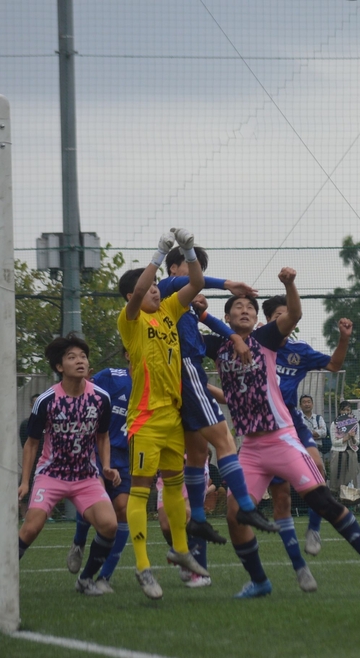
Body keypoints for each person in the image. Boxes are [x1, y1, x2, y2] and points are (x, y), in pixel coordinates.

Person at [203, 267, 360, 598]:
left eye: (250, 306)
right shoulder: (217, 347)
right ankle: (260, 580)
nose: (245, 309)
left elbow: (296, 313)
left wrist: (289, 284)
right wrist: (195, 305)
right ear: (226, 317)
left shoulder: (265, 340)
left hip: (283, 438)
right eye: (238, 306)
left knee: (322, 502)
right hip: (250, 449)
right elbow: (181, 326)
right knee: (234, 515)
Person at [0, 334, 121, 600]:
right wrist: (25, 482)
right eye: (71, 357)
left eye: (83, 356)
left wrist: (106, 466)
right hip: (51, 475)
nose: (80, 361)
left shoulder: (101, 398)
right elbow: (32, 443)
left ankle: (86, 579)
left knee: (109, 525)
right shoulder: (45, 401)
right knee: (31, 527)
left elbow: (102, 436)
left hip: (86, 477)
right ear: (59, 367)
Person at [157, 245, 276, 545]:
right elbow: (195, 284)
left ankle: (197, 518)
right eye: (189, 264)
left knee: (198, 453)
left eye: (200, 267)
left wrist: (233, 335)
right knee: (225, 439)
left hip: (182, 373)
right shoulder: (166, 288)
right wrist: (228, 284)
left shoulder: (183, 303)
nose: (196, 273)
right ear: (173, 268)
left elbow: (204, 316)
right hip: (186, 368)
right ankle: (247, 508)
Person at [116, 229, 210, 600]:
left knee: (175, 486)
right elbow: (139, 292)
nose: (156, 289)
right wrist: (158, 253)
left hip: (172, 417)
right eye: (152, 284)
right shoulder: (131, 320)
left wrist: (186, 250)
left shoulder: (171, 309)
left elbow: (197, 279)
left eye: (158, 285)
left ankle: (181, 550)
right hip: (145, 419)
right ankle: (142, 566)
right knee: (139, 492)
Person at [260, 294, 352, 567]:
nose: (283, 322)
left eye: (287, 317)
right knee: (282, 498)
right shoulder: (255, 347)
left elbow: (334, 365)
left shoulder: (299, 351)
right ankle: (298, 566)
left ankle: (314, 528)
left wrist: (343, 338)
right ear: (267, 321)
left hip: (293, 422)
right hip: (264, 427)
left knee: (317, 469)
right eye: (278, 317)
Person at [65, 353, 133, 593]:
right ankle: (79, 540)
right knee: (95, 504)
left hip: (128, 458)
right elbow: (84, 397)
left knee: (124, 511)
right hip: (97, 450)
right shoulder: (111, 377)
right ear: (129, 353)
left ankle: (98, 576)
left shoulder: (155, 385)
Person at [156, 459, 216, 588]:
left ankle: (202, 574)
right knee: (166, 526)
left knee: (189, 515)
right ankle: (185, 557)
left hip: (191, 463)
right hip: (167, 468)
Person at [329, 401, 360, 503]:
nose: (346, 412)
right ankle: (335, 504)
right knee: (336, 480)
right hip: (338, 454)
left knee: (350, 479)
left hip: (351, 453)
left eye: (348, 409)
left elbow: (358, 441)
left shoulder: (355, 424)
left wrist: (352, 438)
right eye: (343, 409)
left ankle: (350, 504)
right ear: (340, 411)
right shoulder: (334, 424)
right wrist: (345, 438)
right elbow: (334, 442)